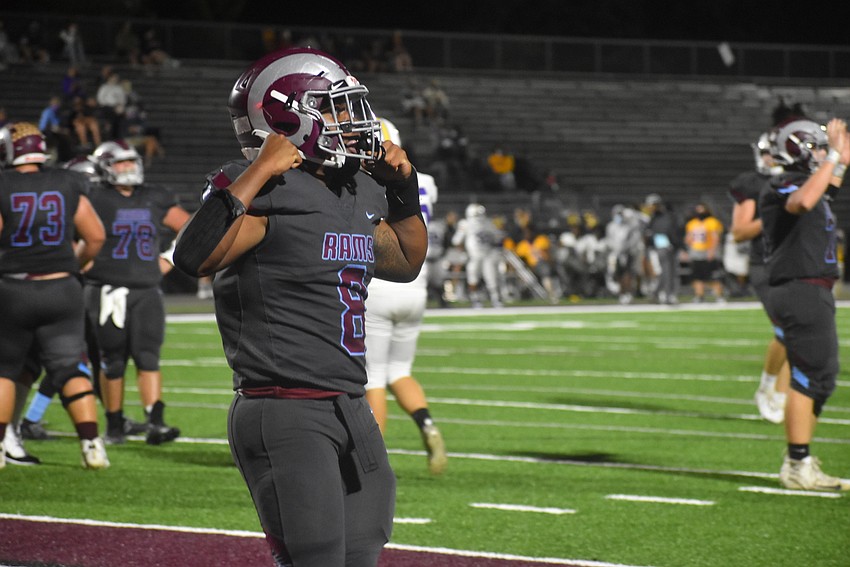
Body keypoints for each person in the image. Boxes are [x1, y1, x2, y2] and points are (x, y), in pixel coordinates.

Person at [172, 47, 427, 566]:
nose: (351, 123)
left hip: (350, 403)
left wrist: (404, 192)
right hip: (284, 405)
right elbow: (192, 257)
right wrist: (259, 169)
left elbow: (404, 260)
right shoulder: (267, 190)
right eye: (334, 108)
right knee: (315, 557)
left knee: (363, 549)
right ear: (287, 117)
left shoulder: (352, 189)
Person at [0, 122, 109, 470]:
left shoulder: (4, 183)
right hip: (63, 287)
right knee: (69, 366)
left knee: (4, 370)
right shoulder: (67, 181)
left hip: (14, 287)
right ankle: (92, 443)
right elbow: (95, 237)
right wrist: (71, 267)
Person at [760, 116, 850, 491]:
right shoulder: (783, 184)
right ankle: (798, 465)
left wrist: (840, 156)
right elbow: (803, 200)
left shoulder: (806, 181)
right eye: (812, 147)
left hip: (809, 288)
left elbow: (826, 187)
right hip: (799, 288)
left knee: (822, 376)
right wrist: (831, 155)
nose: (819, 155)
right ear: (798, 148)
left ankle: (801, 462)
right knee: (811, 376)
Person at [84, 140, 188, 445]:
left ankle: (155, 421)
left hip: (147, 290)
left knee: (148, 357)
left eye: (131, 161)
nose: (128, 167)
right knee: (112, 360)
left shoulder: (154, 196)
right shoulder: (93, 196)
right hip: (106, 289)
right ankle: (114, 424)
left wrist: (169, 258)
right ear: (105, 167)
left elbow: (190, 227)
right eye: (120, 163)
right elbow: (70, 230)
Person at [364, 118, 446, 475]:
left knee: (373, 378)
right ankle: (428, 425)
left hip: (382, 283)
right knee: (401, 370)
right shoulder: (425, 182)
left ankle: (372, 459)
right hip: (417, 285)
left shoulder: (370, 177)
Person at [728, 133, 789, 423]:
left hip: (798, 261)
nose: (771, 158)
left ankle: (783, 394)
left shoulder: (799, 177)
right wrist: (776, 212)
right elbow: (739, 231)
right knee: (787, 331)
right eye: (768, 152)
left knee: (801, 334)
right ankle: (768, 388)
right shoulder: (752, 183)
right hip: (766, 263)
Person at [452, 203, 505, 308]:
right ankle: (477, 299)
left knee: (490, 278)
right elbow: (457, 241)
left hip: (486, 255)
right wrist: (464, 252)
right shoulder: (469, 223)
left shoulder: (487, 223)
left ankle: (493, 298)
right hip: (476, 255)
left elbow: (497, 239)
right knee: (475, 277)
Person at [643, 193, 681, 305]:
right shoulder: (654, 217)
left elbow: (670, 231)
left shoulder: (666, 216)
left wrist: (675, 244)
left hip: (666, 247)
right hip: (658, 248)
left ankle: (663, 295)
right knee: (666, 273)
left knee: (668, 273)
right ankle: (663, 295)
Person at [684, 203, 725, 302]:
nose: (700, 212)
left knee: (713, 276)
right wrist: (687, 249)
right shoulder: (692, 223)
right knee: (697, 276)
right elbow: (688, 238)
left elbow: (715, 238)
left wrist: (712, 251)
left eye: (702, 209)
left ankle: (719, 296)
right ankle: (699, 296)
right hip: (696, 251)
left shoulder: (712, 222)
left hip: (707, 251)